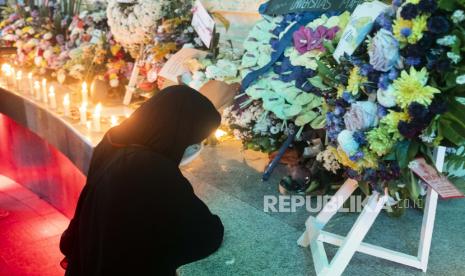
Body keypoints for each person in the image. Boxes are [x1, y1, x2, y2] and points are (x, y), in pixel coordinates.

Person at [60, 85, 224, 276]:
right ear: (178, 132)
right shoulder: (151, 168)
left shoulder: (114, 139)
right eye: (195, 139)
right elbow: (203, 232)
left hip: (93, 254)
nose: (195, 146)